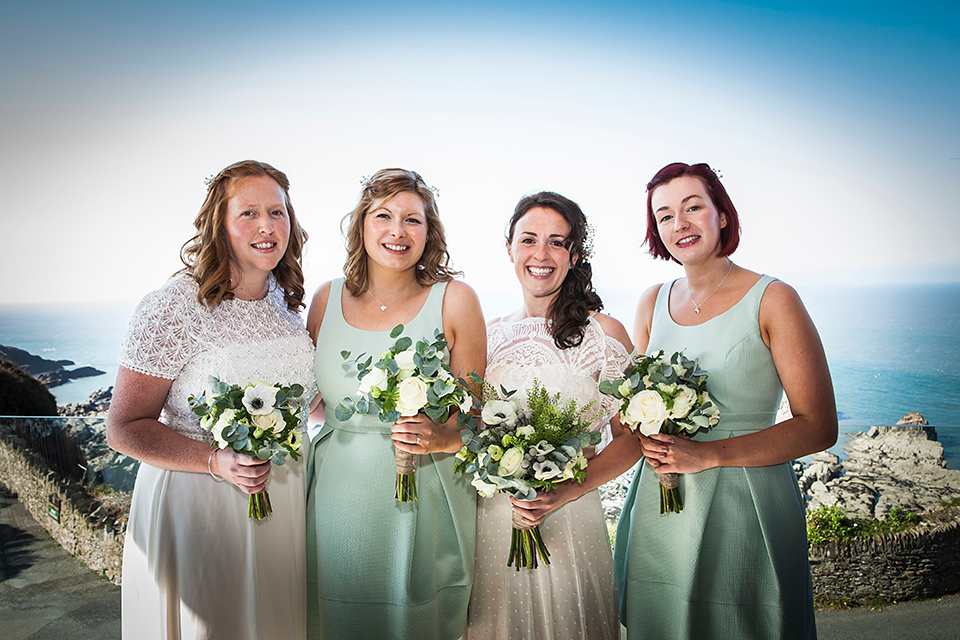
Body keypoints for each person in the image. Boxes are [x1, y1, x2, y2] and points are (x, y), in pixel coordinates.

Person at [613, 162, 838, 639]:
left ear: (722, 215)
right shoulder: (651, 301)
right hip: (661, 503)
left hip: (746, 501)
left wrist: (709, 453)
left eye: (693, 207)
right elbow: (630, 408)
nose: (680, 224)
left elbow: (818, 426)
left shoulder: (774, 298)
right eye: (665, 215)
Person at [106, 160, 317, 639]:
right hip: (200, 505)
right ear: (219, 225)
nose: (267, 226)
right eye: (248, 213)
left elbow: (311, 401)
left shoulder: (285, 302)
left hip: (282, 503)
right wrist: (213, 460)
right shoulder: (174, 306)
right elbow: (123, 427)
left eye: (278, 212)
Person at [305, 168, 486, 640]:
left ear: (430, 233)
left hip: (424, 493)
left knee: (416, 617)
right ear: (362, 225)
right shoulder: (326, 299)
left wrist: (441, 436)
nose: (397, 231)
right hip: (337, 493)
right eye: (383, 216)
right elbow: (313, 401)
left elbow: (473, 415)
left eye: (413, 220)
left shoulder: (455, 301)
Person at [464, 192, 640, 640]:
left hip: (571, 516)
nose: (540, 255)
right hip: (495, 520)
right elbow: (470, 429)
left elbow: (632, 440)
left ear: (574, 255)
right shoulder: (487, 336)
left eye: (557, 242)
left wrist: (563, 491)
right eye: (528, 240)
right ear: (509, 249)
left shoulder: (604, 335)